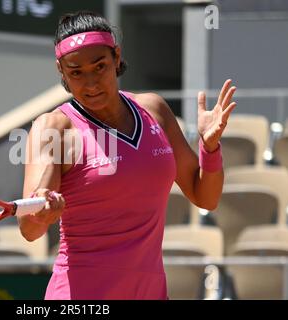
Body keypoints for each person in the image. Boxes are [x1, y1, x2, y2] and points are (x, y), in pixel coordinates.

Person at [18, 11, 237, 300]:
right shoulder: (53, 128)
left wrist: (209, 149)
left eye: (100, 66)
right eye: (76, 72)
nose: (91, 82)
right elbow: (30, 229)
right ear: (62, 71)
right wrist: (42, 215)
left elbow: (205, 197)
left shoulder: (155, 110)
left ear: (116, 57)